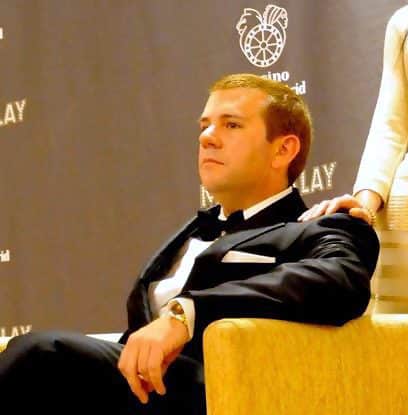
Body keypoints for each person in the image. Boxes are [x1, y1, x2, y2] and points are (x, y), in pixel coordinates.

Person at [0, 73, 379, 414]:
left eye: (231, 124)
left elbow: (337, 280)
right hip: (136, 389)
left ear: (283, 150)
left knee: (41, 355)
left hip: (216, 393)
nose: (207, 137)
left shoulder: (320, 226)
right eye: (204, 125)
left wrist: (189, 313)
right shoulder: (192, 231)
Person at [299, 3, 408, 313]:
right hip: (404, 214)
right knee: (396, 339)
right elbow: (390, 125)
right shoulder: (406, 20)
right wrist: (364, 207)